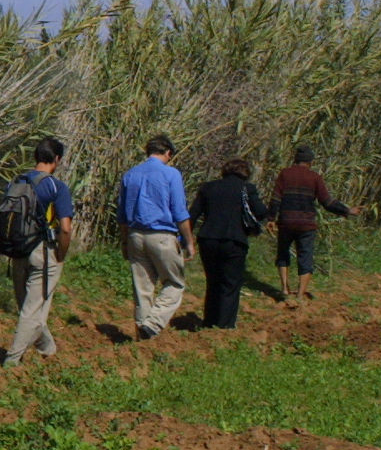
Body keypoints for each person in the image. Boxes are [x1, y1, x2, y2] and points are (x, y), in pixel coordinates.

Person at [2, 137, 77, 367]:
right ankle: (12, 360)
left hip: (17, 250)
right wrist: (61, 255)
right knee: (32, 310)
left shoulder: (16, 182)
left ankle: (48, 350)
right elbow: (65, 228)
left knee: (27, 306)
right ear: (57, 159)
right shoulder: (56, 186)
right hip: (43, 252)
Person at [115, 134, 196, 340]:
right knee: (175, 283)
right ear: (168, 152)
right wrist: (188, 241)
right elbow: (179, 212)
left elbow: (122, 215)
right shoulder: (171, 174)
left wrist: (125, 241)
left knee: (142, 288)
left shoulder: (130, 175)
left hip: (135, 235)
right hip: (162, 235)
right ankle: (153, 323)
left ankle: (143, 334)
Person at [270, 145, 361, 307]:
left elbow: (276, 199)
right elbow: (327, 202)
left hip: (286, 222)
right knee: (305, 257)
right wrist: (347, 210)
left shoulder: (285, 174)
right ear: (310, 162)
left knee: (283, 254)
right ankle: (299, 295)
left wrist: (271, 218)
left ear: (295, 159)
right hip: (306, 224)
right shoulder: (315, 177)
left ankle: (284, 289)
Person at [189, 158, 271, 329]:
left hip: (208, 239)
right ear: (246, 173)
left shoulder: (208, 188)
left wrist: (186, 238)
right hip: (235, 240)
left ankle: (209, 321)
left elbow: (193, 214)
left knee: (213, 281)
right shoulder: (247, 189)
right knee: (231, 283)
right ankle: (225, 325)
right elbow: (261, 212)